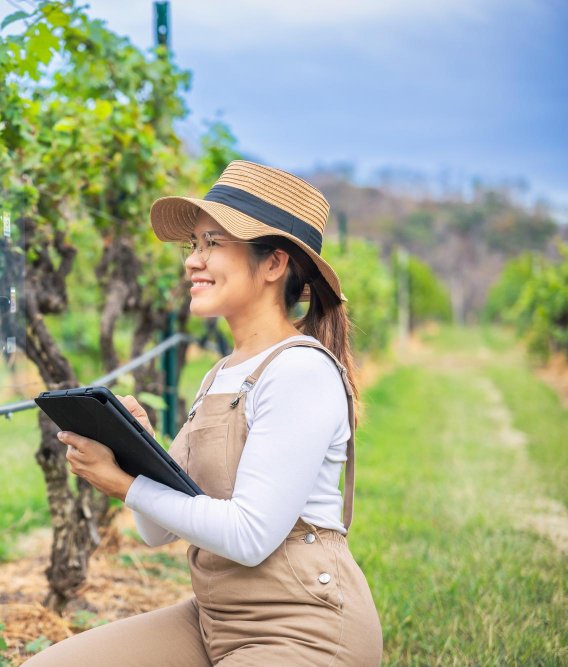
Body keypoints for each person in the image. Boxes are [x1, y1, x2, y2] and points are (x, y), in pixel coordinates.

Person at [22, 161, 382, 666]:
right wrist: (137, 451)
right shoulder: (221, 373)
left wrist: (125, 485)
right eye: (194, 245)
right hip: (215, 617)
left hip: (303, 629)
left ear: (274, 264)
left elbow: (250, 537)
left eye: (213, 243)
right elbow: (157, 532)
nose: (193, 261)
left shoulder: (300, 372)